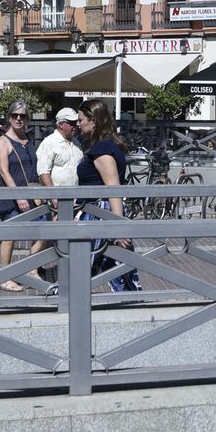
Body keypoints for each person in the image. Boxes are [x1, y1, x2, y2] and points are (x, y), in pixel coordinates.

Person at [75, 98, 141, 292]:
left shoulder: (102, 150)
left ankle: (69, 308)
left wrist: (118, 226)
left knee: (82, 268)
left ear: (93, 121)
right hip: (103, 214)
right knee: (117, 267)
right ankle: (130, 305)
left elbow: (113, 188)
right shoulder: (108, 145)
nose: (78, 124)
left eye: (80, 120)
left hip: (100, 215)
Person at [0, 102, 41, 292]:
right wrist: (18, 195)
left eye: (23, 116)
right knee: (10, 236)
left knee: (40, 232)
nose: (19, 119)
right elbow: (4, 171)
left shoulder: (28, 140)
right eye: (15, 115)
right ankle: (5, 277)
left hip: (32, 195)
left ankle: (32, 269)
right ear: (9, 117)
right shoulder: (3, 141)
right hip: (12, 195)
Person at [37, 106, 86, 198]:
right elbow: (43, 172)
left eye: (76, 122)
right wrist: (53, 197)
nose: (75, 126)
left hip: (76, 197)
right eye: (71, 123)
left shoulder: (76, 143)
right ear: (60, 124)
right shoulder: (49, 143)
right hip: (57, 198)